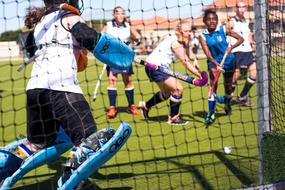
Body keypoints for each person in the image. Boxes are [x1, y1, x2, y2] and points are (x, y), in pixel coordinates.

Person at [0, 1, 133, 189]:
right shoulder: (69, 17)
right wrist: (119, 50)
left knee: (38, 142)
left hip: (35, 90)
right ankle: (76, 182)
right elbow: (91, 40)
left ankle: (5, 169)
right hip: (62, 88)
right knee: (87, 138)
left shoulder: (40, 23)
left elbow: (32, 48)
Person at [139, 20, 202, 125]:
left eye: (190, 31)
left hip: (157, 67)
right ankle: (173, 118)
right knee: (178, 89)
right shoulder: (176, 43)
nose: (189, 33)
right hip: (156, 67)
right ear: (179, 31)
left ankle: (146, 106)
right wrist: (199, 75)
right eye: (186, 31)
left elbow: (189, 54)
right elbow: (185, 62)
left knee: (166, 94)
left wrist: (195, 59)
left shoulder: (182, 41)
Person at [199, 9, 244, 126]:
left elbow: (241, 39)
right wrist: (215, 63)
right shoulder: (203, 35)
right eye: (208, 19)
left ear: (217, 20)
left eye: (214, 19)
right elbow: (207, 53)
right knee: (212, 86)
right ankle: (211, 113)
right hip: (213, 62)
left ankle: (227, 103)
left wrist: (231, 47)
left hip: (228, 61)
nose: (211, 21)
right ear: (204, 21)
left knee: (228, 87)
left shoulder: (223, 29)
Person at [102, 6, 141, 118]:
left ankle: (131, 106)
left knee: (127, 81)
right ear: (114, 15)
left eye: (122, 13)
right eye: (118, 13)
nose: (120, 15)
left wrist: (134, 43)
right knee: (112, 80)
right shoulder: (108, 25)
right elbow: (100, 38)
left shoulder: (128, 26)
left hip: (125, 56)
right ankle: (112, 108)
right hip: (112, 57)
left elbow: (137, 37)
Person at [228, 1, 256, 106]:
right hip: (237, 50)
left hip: (248, 50)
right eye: (239, 7)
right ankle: (229, 96)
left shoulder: (246, 21)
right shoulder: (231, 21)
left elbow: (248, 34)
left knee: (254, 73)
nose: (241, 9)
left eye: (243, 7)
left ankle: (242, 96)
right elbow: (228, 31)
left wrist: (252, 42)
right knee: (236, 74)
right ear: (236, 9)